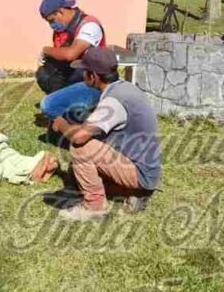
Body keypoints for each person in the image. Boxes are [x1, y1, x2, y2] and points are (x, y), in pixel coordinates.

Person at [50, 47, 163, 221]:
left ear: (93, 76)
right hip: (146, 169)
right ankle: (133, 192)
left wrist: (61, 124)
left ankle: (94, 207)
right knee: (76, 174)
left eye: (84, 72)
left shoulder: (113, 101)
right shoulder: (124, 88)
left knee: (81, 147)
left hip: (141, 173)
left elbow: (80, 137)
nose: (82, 76)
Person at [37, 0, 106, 122]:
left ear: (60, 12)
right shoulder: (64, 29)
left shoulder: (89, 25)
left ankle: (90, 111)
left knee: (50, 106)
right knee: (44, 74)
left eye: (51, 20)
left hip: (93, 82)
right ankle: (65, 112)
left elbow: (70, 54)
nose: (51, 25)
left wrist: (45, 50)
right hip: (72, 76)